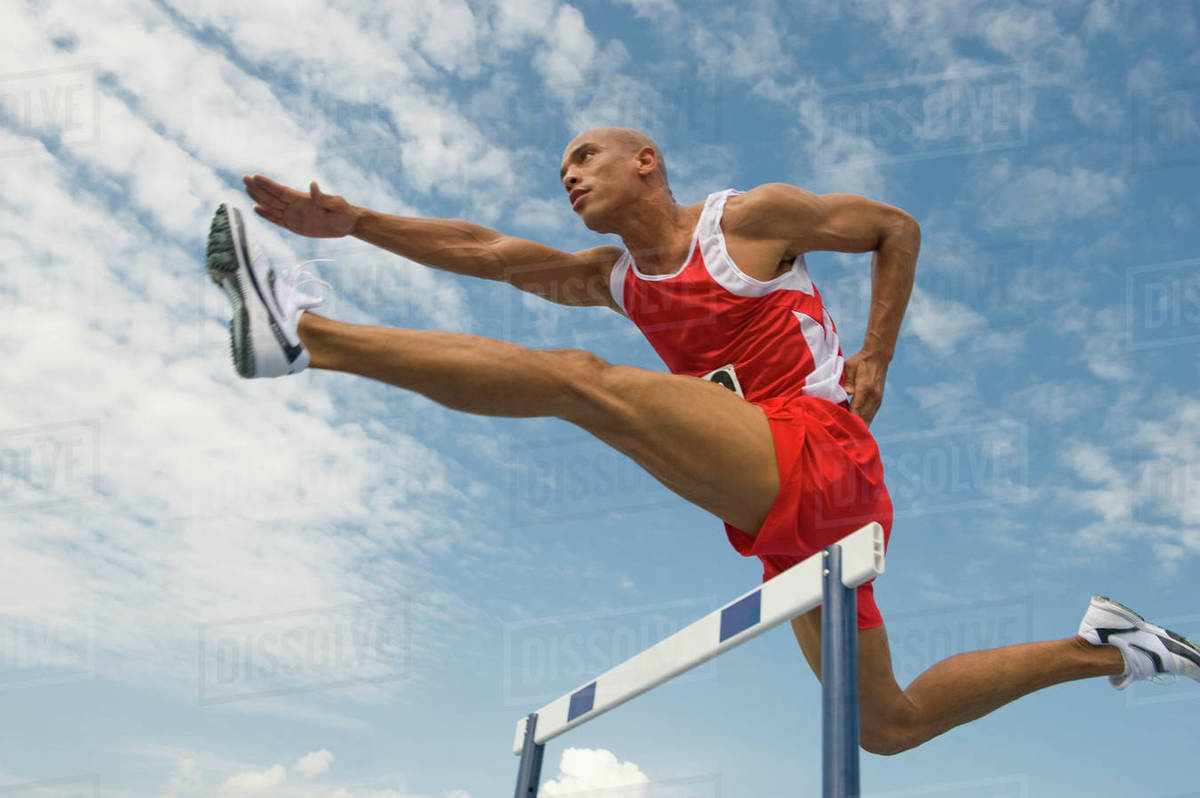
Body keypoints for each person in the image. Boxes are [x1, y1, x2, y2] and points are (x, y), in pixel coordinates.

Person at [204, 126, 1199, 755]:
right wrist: (358, 222)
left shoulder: (748, 223)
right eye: (560, 171)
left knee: (581, 383)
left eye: (584, 158)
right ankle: (1109, 650)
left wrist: (879, 358)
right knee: (886, 726)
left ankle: (309, 338)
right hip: (779, 511)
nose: (568, 177)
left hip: (820, 448)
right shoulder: (619, 280)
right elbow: (491, 253)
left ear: (647, 161)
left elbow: (896, 226)